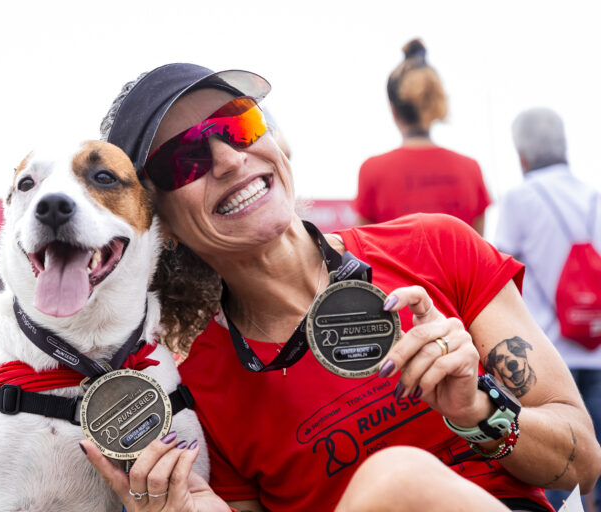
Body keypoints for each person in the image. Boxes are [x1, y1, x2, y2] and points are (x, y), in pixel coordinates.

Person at [79, 63, 601, 512]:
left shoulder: (435, 246)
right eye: (182, 160)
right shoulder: (201, 389)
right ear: (158, 223)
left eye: (238, 124)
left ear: (273, 138)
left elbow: (582, 466)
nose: (231, 159)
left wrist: (477, 409)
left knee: (399, 478)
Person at [495, 107, 601, 511]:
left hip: (547, 359)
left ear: (521, 155)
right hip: (597, 350)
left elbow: (500, 274)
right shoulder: (594, 197)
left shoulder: (521, 198)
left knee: (557, 470)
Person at [354, 39, 490, 235]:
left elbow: (363, 250)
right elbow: (478, 250)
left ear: (393, 110)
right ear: (434, 103)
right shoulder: (471, 169)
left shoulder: (372, 171)